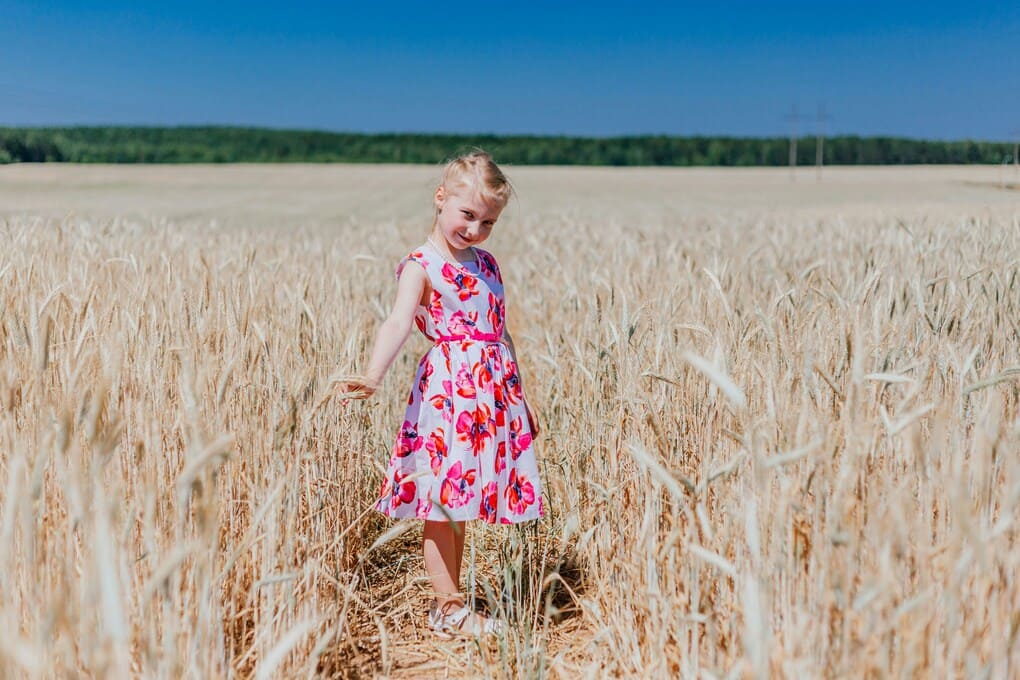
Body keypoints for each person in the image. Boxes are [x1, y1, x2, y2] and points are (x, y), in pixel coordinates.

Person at [342, 151, 544, 639]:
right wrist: (373, 374)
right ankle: (448, 606)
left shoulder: (489, 264)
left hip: (491, 396)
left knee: (463, 499)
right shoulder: (421, 265)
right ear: (441, 199)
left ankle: (452, 602)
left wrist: (520, 394)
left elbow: (501, 332)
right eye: (467, 214)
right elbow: (397, 322)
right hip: (449, 395)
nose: (475, 229)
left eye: (488, 221)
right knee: (440, 502)